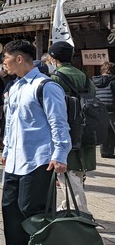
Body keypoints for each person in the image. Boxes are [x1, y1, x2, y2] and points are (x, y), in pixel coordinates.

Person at [0, 39, 70, 245]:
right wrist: (6, 149)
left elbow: (59, 123)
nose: (3, 64)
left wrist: (60, 154)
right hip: (15, 159)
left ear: (19, 59)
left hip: (39, 158)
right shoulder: (15, 86)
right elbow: (11, 124)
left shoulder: (46, 86)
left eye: (5, 59)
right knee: (10, 205)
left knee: (31, 207)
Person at [46, 41, 96, 213]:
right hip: (87, 129)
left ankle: (78, 211)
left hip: (67, 129)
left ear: (53, 58)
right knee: (79, 173)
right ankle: (70, 206)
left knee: (68, 173)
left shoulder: (55, 78)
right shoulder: (84, 77)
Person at [93, 61, 115, 158]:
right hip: (112, 108)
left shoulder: (95, 81)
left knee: (104, 131)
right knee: (112, 130)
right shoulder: (113, 81)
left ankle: (105, 152)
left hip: (99, 109)